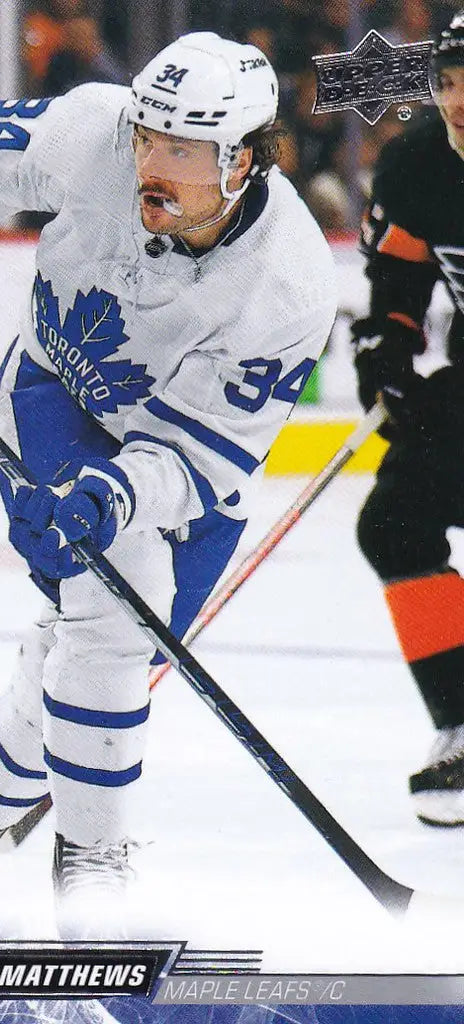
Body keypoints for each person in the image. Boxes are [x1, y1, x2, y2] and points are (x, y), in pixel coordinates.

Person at [0, 32, 336, 938]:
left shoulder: (288, 284)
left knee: (97, 667)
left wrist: (119, 491)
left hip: (174, 470)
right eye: (148, 138)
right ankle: (91, 867)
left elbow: (199, 459)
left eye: (180, 150)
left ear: (242, 160)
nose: (149, 164)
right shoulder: (92, 133)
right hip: (48, 399)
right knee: (108, 604)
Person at [351, 10, 464, 828]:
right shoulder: (418, 165)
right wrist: (386, 354)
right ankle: (462, 722)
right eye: (449, 82)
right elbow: (399, 285)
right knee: (394, 522)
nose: (458, 101)